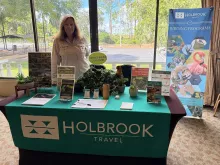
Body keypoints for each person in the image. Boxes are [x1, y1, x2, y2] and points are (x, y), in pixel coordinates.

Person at [51, 14, 90, 84]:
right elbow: (55, 61)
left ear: (75, 26)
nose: (69, 27)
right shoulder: (57, 41)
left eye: (71, 24)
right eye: (66, 24)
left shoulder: (82, 39)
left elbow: (87, 54)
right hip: (66, 78)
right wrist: (54, 78)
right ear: (63, 26)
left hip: (83, 77)